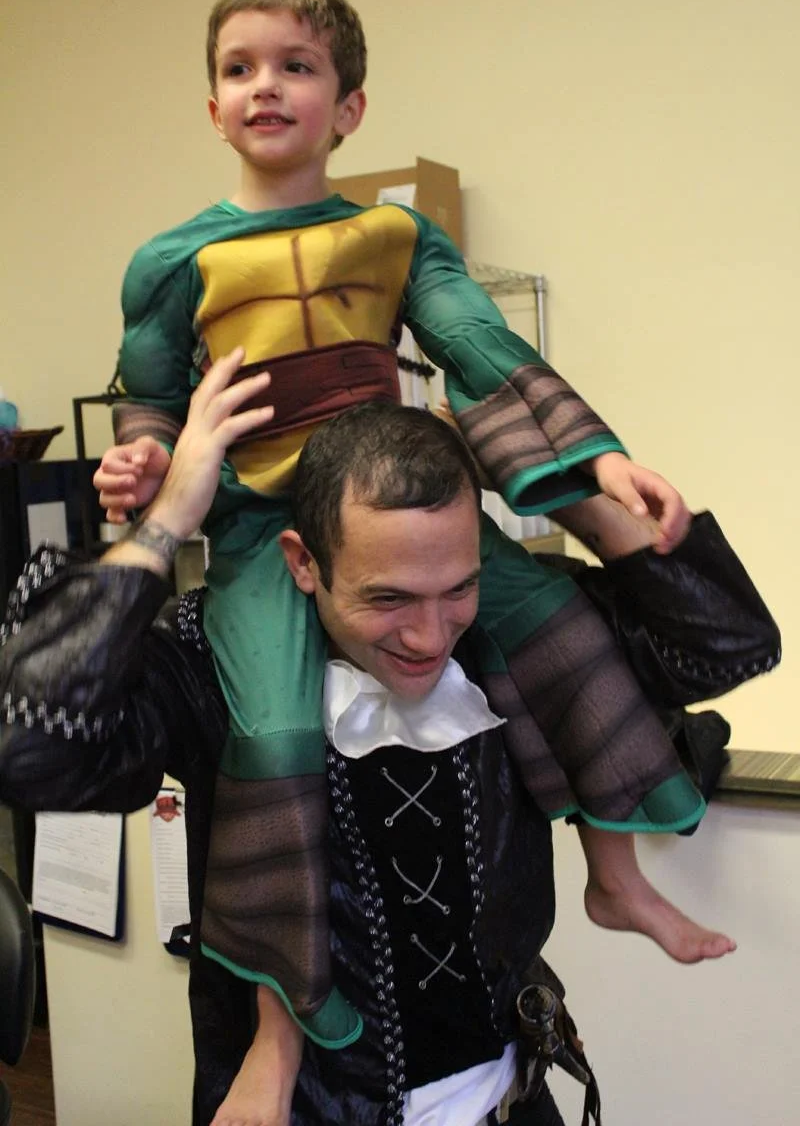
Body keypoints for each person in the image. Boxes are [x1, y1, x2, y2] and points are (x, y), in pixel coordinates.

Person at [91, 0, 728, 1120]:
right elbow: (143, 400)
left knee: (570, 632)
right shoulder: (169, 260)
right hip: (260, 536)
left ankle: (618, 879)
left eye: (296, 65)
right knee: (273, 744)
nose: (264, 87)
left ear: (349, 106)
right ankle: (277, 1038)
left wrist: (599, 464)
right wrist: (142, 467)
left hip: (402, 509)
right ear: (211, 105)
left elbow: (482, 346)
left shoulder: (393, 235)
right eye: (238, 69)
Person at [2, 355, 772, 1125]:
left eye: (459, 588)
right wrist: (166, 519)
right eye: (389, 598)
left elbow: (724, 644)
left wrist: (573, 495)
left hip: (514, 1103)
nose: (429, 634)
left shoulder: (510, 648)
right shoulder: (213, 659)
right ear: (303, 562)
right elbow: (31, 750)